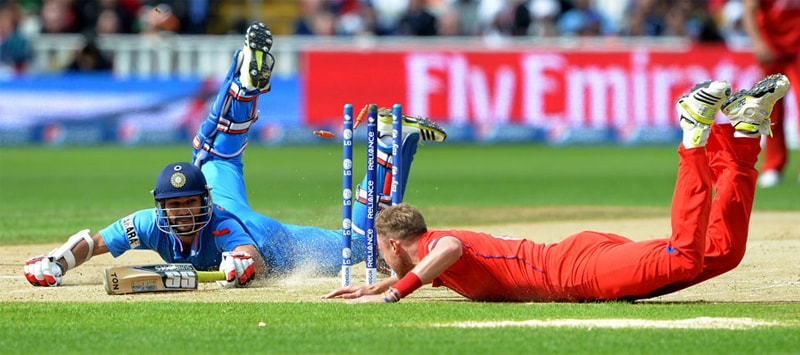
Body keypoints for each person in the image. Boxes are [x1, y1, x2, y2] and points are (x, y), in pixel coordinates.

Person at [23, 21, 447, 288]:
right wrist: (58, 261)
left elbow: (252, 257)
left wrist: (241, 267)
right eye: (175, 206)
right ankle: (244, 86)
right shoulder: (150, 224)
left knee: (365, 248)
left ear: (204, 200)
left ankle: (389, 144)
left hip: (280, 244)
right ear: (161, 208)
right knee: (213, 153)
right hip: (229, 203)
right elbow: (94, 243)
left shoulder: (221, 225)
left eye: (190, 202)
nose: (184, 213)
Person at [323, 74, 790, 303]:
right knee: (722, 253)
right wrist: (381, 284)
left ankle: (692, 134)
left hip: (574, 273)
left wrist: (398, 289)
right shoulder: (427, 260)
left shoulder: (433, 245)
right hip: (579, 261)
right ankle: (745, 132)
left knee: (686, 255)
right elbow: (439, 262)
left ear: (392, 243)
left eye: (385, 255)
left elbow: (449, 246)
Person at [740, 0, 800, 188]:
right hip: (772, 51)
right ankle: (773, 166)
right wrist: (758, 44)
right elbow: (749, 11)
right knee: (772, 109)